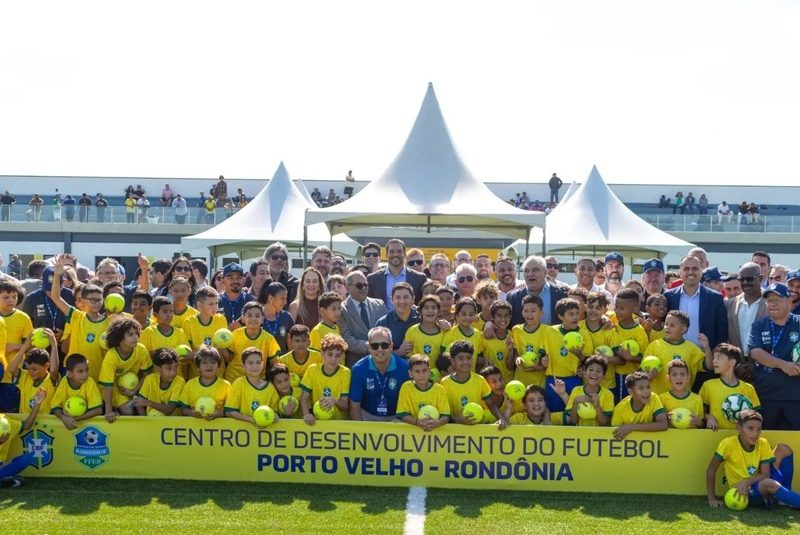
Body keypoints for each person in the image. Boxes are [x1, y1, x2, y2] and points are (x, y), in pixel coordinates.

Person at [706, 410, 800, 509]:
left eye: (758, 429)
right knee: (767, 483)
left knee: (783, 449)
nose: (755, 433)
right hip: (745, 493)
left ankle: (784, 499)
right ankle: (786, 498)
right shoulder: (728, 444)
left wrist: (748, 481)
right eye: (750, 428)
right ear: (739, 428)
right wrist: (711, 498)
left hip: (758, 482)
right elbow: (711, 469)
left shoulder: (762, 443)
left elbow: (765, 474)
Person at [747, 283, 800, 430]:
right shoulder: (759, 325)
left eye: (777, 299)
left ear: (789, 301)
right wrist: (783, 365)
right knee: (767, 441)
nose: (773, 304)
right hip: (766, 396)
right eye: (770, 300)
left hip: (795, 397)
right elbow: (755, 352)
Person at [50, 258, 109, 380]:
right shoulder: (75, 315)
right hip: (73, 374)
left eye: (99, 300)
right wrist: (57, 275)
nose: (96, 303)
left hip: (97, 374)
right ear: (83, 301)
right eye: (92, 300)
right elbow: (56, 297)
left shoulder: (109, 321)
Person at [664, 255, 728, 351]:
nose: (690, 272)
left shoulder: (716, 298)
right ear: (680, 272)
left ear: (701, 271)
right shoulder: (668, 297)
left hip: (704, 358)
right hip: (674, 356)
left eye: (695, 268)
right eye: (686, 269)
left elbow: (721, 332)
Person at [542, 298, 593, 416]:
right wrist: (542, 359)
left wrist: (580, 356)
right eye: (571, 314)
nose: (575, 317)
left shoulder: (584, 333)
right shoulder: (550, 331)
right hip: (554, 379)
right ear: (560, 316)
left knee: (574, 414)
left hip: (574, 379)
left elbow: (589, 361)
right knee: (555, 414)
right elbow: (542, 352)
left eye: (577, 313)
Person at [349, 326, 410, 421]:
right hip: (367, 416)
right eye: (375, 346)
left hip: (396, 418)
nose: (380, 349)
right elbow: (354, 407)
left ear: (391, 346)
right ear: (369, 347)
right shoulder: (358, 369)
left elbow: (410, 403)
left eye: (384, 345)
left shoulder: (405, 368)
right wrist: (361, 431)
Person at [643, 310, 711, 394]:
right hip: (658, 399)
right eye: (666, 324)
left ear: (683, 329)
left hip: (682, 400)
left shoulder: (692, 348)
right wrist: (648, 377)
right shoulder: (654, 346)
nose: (667, 327)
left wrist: (707, 348)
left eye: (672, 325)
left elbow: (709, 366)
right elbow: (642, 373)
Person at [99, 317, 152, 420]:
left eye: (136, 333)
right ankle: (116, 410)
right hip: (114, 388)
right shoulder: (111, 355)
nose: (135, 337)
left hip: (134, 387)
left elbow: (147, 375)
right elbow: (108, 386)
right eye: (130, 334)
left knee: (142, 411)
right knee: (128, 410)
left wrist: (134, 391)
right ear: (119, 337)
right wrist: (108, 411)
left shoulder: (141, 349)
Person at [699, 343, 760, 431]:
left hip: (739, 437)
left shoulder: (748, 388)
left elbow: (755, 416)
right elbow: (699, 411)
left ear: (732, 362)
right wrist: (709, 417)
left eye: (719, 358)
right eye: (714, 358)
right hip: (714, 435)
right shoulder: (708, 385)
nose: (714, 361)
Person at [440, 340, 498, 425]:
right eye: (460, 358)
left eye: (468, 358)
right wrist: (457, 420)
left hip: (475, 428)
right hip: (454, 430)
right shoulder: (444, 383)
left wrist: (501, 418)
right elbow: (444, 411)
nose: (465, 362)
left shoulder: (480, 380)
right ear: (452, 361)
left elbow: (491, 405)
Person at [0, 388, 47, 488]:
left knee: (27, 458)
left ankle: (4, 479)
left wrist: (37, 404)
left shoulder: (5, 421)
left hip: (1, 465)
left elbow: (26, 425)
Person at [300, 333, 351, 424]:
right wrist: (306, 414)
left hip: (339, 423)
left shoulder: (345, 373)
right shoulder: (313, 370)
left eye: (337, 355)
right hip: (318, 423)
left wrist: (334, 400)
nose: (333, 359)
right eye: (330, 354)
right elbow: (304, 398)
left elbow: (345, 405)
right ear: (322, 354)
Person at [181, 286, 229, 378]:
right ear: (199, 305)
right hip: (196, 376)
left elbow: (225, 348)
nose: (214, 307)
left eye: (216, 303)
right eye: (210, 304)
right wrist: (207, 354)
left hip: (218, 376)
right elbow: (186, 355)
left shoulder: (221, 319)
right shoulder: (188, 323)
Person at [7, 331, 59, 415]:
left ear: (46, 366)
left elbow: (53, 370)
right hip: (26, 422)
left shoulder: (50, 380)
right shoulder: (25, 376)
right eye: (29, 369)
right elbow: (11, 369)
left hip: (45, 425)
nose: (30, 372)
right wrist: (25, 347)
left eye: (34, 369)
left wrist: (54, 345)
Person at [506, 255, 567, 327]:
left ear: (545, 272)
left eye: (535, 270)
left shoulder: (561, 294)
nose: (530, 274)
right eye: (526, 271)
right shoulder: (513, 297)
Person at [227, 302, 280, 382]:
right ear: (243, 318)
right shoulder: (235, 334)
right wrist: (220, 347)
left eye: (257, 316)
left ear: (262, 319)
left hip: (257, 381)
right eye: (249, 315)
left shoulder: (268, 338)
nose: (253, 319)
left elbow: (275, 363)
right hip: (234, 379)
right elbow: (229, 359)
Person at [367, 239, 426, 308]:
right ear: (386, 254)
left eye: (399, 251)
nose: (395, 254)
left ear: (404, 254)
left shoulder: (419, 278)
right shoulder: (372, 279)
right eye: (391, 251)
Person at [396, 354, 449, 430]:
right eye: (417, 371)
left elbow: (446, 416)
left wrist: (438, 423)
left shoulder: (439, 389)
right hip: (412, 433)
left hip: (435, 433)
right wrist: (417, 422)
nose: (421, 375)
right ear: (410, 374)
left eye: (424, 370)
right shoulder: (406, 387)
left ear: (429, 371)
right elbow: (402, 414)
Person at [50, 353, 103, 429]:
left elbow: (98, 410)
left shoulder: (90, 382)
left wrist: (74, 420)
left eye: (87, 370)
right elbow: (55, 406)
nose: (85, 374)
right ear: (70, 374)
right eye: (80, 371)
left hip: (87, 426)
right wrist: (63, 418)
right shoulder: (64, 381)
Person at [176, 346, 231, 419]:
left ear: (218, 366)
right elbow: (184, 409)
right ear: (198, 367)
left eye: (213, 362)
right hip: (195, 428)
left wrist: (219, 413)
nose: (209, 366)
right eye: (205, 363)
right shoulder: (190, 384)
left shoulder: (226, 385)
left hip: (218, 427)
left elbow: (230, 409)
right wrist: (190, 413)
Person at [725, 262, 767, 355]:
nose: (745, 283)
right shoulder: (729, 304)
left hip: (763, 364)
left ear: (760, 278)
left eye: (749, 279)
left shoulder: (770, 303)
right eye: (741, 279)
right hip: (737, 365)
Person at [611, 372, 668, 439]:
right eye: (641, 388)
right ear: (630, 391)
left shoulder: (653, 398)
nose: (646, 391)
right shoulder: (620, 409)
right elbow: (614, 434)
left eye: (648, 387)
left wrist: (631, 427)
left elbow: (663, 424)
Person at [224, 348, 273, 426]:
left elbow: (275, 412)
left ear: (262, 364)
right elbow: (229, 412)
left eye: (258, 362)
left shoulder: (270, 388)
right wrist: (251, 420)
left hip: (264, 434)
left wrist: (275, 416)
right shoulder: (239, 383)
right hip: (241, 432)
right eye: (250, 363)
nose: (255, 366)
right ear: (243, 366)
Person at [563, 355, 614, 426]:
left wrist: (597, 405)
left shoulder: (608, 394)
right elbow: (573, 422)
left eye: (598, 371)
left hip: (598, 436)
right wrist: (575, 402)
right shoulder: (576, 390)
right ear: (584, 373)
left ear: (603, 376)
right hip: (580, 435)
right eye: (590, 369)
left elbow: (605, 423)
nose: (594, 373)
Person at [375, 283, 419, 356]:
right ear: (392, 300)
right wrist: (398, 352)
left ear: (413, 299)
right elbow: (376, 353)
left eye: (406, 297)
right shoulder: (383, 323)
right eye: (398, 297)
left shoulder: (422, 317)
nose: (402, 301)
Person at [659, 360, 705, 429]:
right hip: (669, 439)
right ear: (668, 378)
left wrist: (699, 422)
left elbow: (702, 424)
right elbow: (657, 421)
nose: (679, 377)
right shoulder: (661, 398)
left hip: (691, 438)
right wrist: (665, 418)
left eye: (682, 374)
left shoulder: (697, 399)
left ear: (688, 378)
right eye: (674, 374)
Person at [403, 295, 445, 367]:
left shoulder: (444, 332)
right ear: (420, 311)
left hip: (438, 376)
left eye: (433, 307)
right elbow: (407, 357)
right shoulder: (412, 331)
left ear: (439, 311)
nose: (430, 310)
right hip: (418, 375)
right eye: (426, 307)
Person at [442, 297, 484, 366]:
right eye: (464, 314)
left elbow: (478, 357)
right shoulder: (450, 333)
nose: (467, 317)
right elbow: (444, 356)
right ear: (457, 315)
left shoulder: (478, 334)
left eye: (471, 314)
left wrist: (486, 361)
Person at [263, 242, 298, 307]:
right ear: (267, 259)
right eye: (275, 257)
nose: (279, 260)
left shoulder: (294, 282)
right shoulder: (261, 280)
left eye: (283, 257)